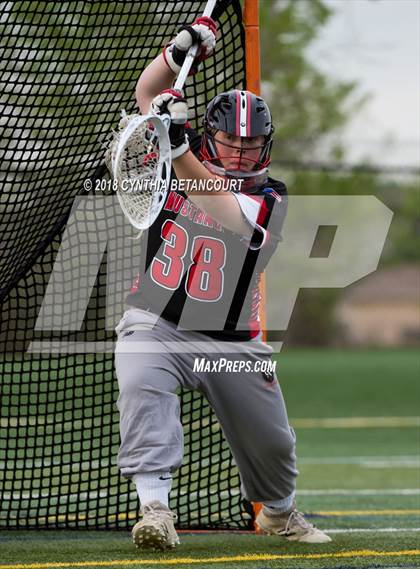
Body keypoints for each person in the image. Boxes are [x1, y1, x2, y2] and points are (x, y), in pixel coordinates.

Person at [114, 16, 331, 550]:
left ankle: (278, 514)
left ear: (267, 145)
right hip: (157, 322)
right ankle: (155, 510)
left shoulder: (270, 198)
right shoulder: (174, 158)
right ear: (213, 138)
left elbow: (222, 208)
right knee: (140, 386)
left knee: (272, 446)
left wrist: (178, 141)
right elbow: (147, 91)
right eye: (230, 142)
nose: (240, 152)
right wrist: (179, 49)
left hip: (232, 340)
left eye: (251, 142)